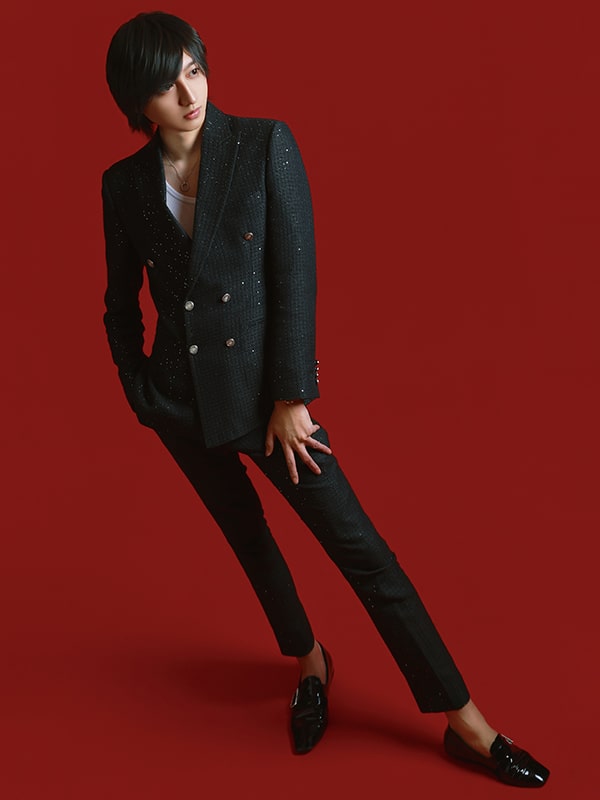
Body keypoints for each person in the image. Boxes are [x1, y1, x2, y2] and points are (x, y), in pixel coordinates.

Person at [102, 11, 549, 787]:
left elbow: (294, 277)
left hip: (267, 405)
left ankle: (465, 722)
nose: (190, 93)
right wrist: (140, 392)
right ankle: (310, 664)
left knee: (362, 552)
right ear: (136, 100)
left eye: (195, 70)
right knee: (249, 543)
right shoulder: (123, 185)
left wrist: (292, 395)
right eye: (167, 84)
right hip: (179, 405)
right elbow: (118, 302)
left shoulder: (263, 144)